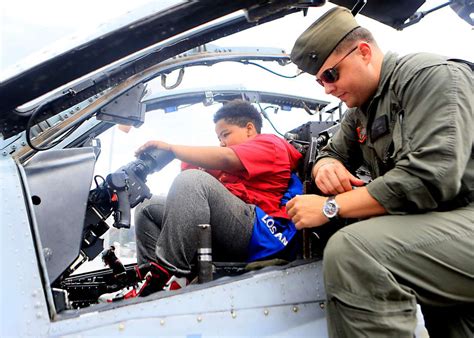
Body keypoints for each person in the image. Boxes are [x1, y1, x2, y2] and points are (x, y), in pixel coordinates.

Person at [286, 6, 473, 338]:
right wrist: (326, 165)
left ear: (364, 52)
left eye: (331, 75)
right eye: (320, 82)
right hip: (444, 227)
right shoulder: (361, 110)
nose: (327, 89)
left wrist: (331, 207)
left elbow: (431, 177)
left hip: (462, 216)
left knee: (355, 253)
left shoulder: (430, 77)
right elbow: (330, 151)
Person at [99, 99, 302, 302]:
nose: (222, 141)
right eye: (219, 137)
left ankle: (166, 274)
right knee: (147, 207)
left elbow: (221, 160)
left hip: (254, 231)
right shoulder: (232, 159)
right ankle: (151, 279)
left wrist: (172, 149)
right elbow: (199, 169)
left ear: (249, 128)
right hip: (230, 225)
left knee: (192, 181)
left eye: (225, 134)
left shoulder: (270, 145)